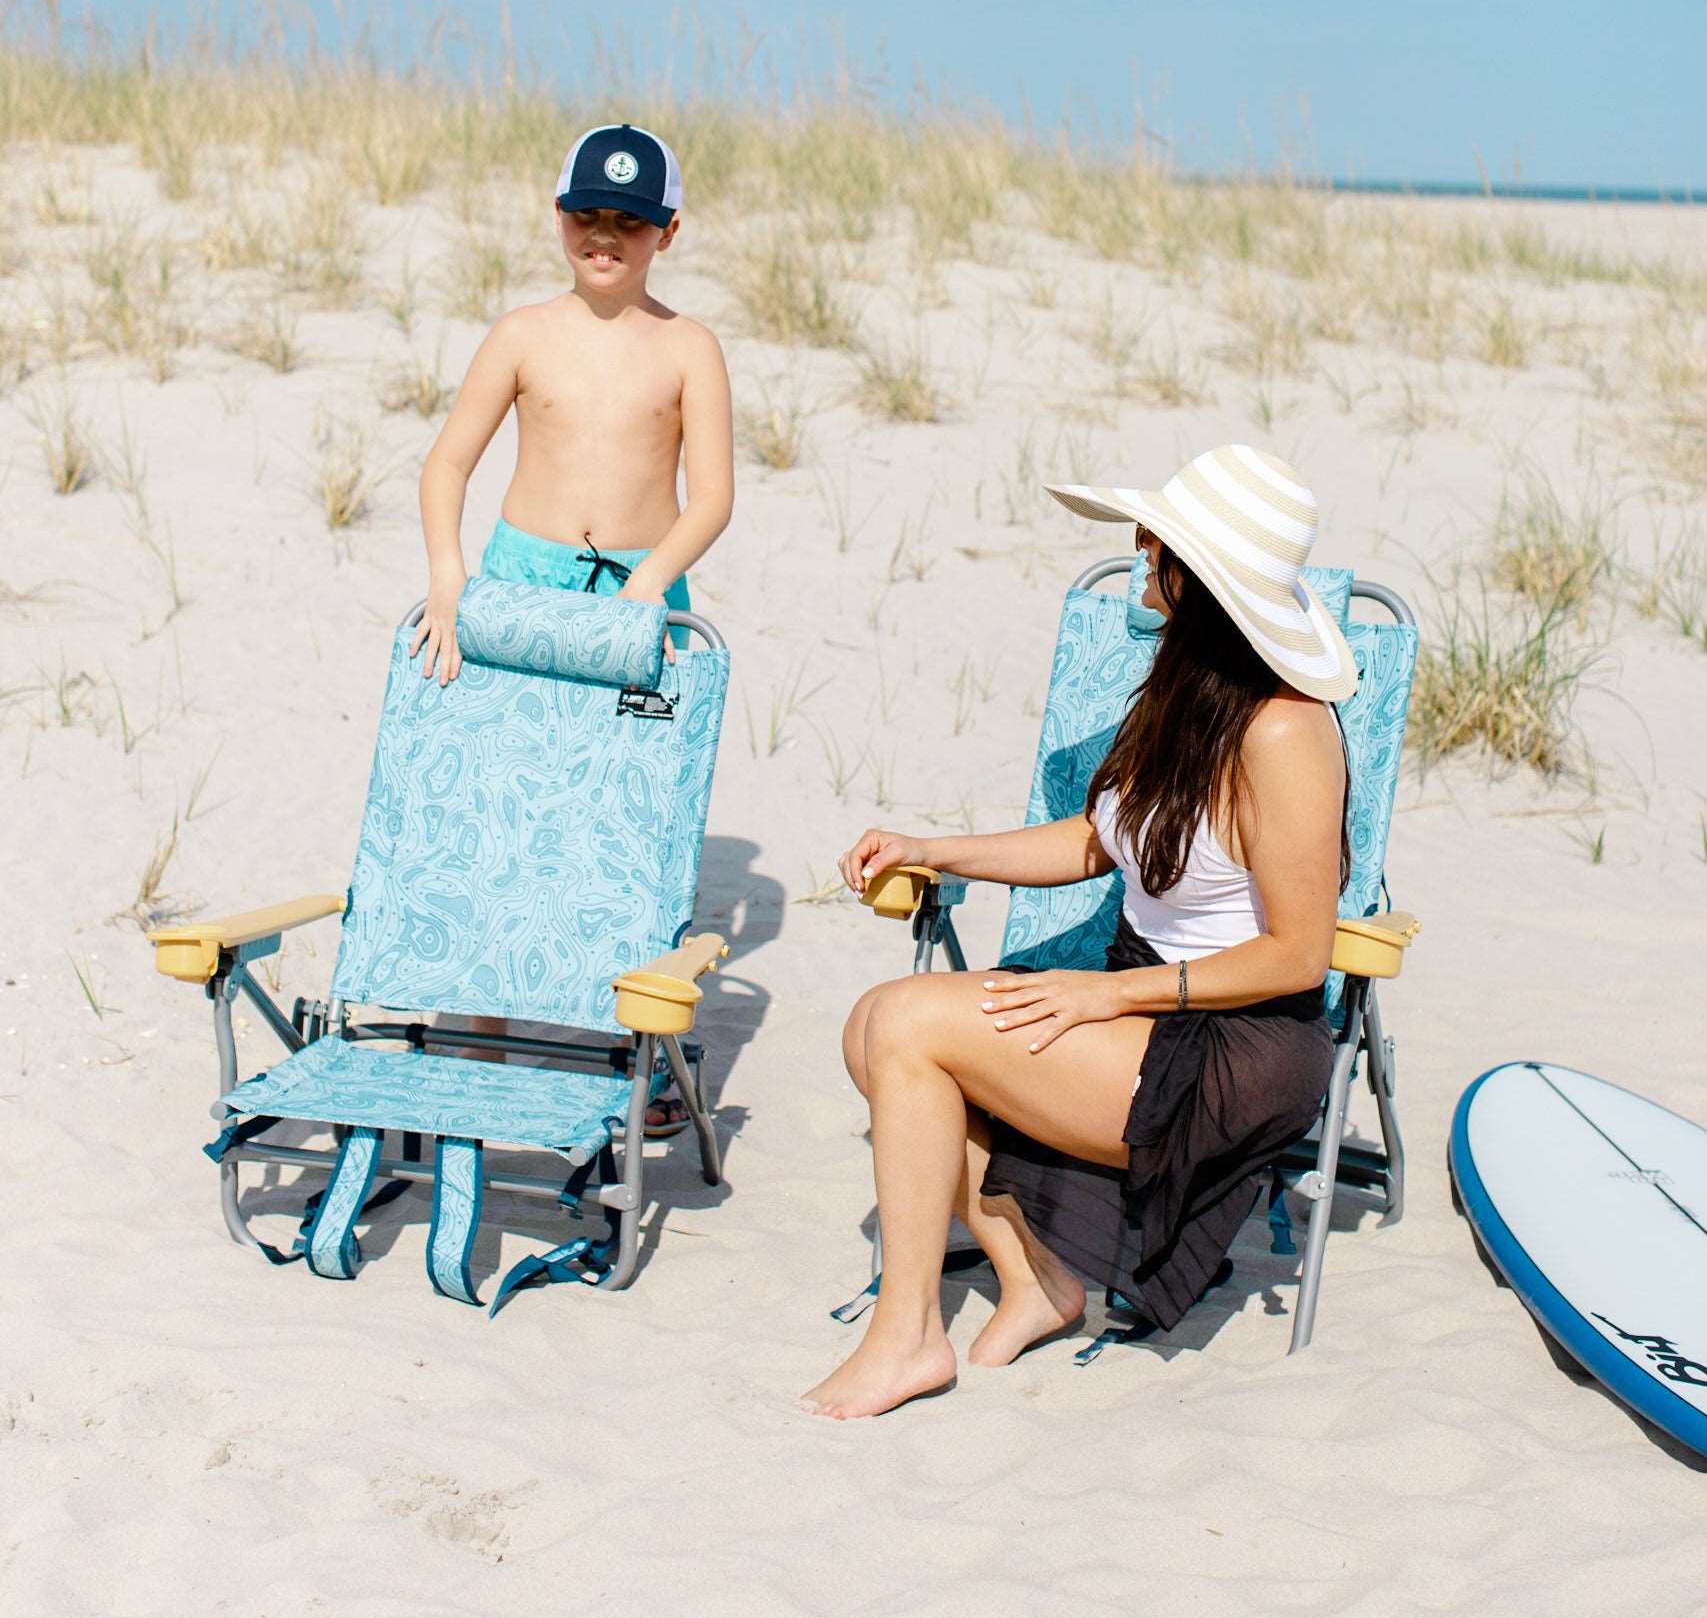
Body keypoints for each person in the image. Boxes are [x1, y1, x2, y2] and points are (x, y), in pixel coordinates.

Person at [805, 443, 1357, 1420]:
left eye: (1164, 541)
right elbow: (1093, 840)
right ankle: (1037, 1280)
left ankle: (907, 1336)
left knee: (903, 1026)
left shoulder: (1285, 729)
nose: (1143, 547)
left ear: (1204, 578)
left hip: (1234, 1039)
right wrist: (933, 844)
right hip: (1150, 1004)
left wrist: (1111, 991)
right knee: (873, 1029)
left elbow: (1298, 953)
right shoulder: (1184, 692)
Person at [412, 119, 735, 1105]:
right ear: (559, 219)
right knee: (496, 797)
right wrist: (447, 572)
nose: (607, 238)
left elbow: (713, 494)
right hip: (519, 581)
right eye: (590, 217)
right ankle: (478, 1027)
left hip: (642, 592)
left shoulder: (690, 347)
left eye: (629, 224)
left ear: (666, 233)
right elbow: (449, 460)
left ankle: (633, 1046)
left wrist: (653, 579)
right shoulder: (522, 333)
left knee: (628, 814)